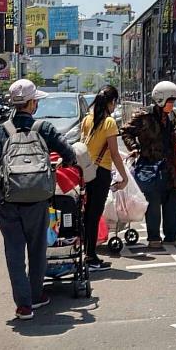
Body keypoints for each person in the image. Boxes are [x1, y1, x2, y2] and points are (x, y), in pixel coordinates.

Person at [0, 79, 77, 321]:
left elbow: (2, 159)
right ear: (31, 103)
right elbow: (69, 154)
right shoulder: (44, 128)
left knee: (14, 252)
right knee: (37, 249)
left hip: (8, 199)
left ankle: (23, 305)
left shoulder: (1, 130)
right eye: (35, 100)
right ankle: (37, 295)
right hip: (38, 199)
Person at [122, 81, 176, 249]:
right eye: (170, 101)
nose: (172, 105)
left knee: (173, 201)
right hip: (149, 165)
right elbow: (126, 131)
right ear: (160, 100)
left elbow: (172, 134)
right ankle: (153, 237)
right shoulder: (144, 115)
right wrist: (135, 148)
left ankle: (173, 236)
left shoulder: (171, 116)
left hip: (169, 166)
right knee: (152, 202)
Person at [79, 85, 129, 271]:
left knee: (87, 214)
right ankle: (91, 257)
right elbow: (115, 154)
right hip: (100, 173)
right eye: (115, 102)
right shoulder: (109, 122)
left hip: (86, 171)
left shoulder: (87, 119)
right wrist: (124, 177)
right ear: (111, 102)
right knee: (94, 214)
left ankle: (87, 253)